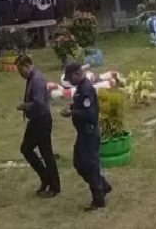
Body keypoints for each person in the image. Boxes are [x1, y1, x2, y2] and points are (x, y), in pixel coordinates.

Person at [61, 62, 112, 211]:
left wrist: (73, 113)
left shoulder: (86, 89)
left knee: (90, 165)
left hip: (89, 133)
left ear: (77, 74)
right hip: (83, 133)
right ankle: (103, 186)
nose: (69, 81)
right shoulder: (80, 89)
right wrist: (73, 108)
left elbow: (90, 114)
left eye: (70, 77)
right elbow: (82, 107)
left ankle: (98, 199)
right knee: (79, 163)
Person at [16, 54, 61, 198]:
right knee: (27, 149)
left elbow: (39, 103)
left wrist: (24, 106)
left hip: (41, 120)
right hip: (36, 120)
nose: (20, 74)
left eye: (20, 70)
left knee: (45, 152)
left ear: (27, 66)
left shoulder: (37, 80)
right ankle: (46, 177)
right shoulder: (32, 78)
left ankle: (53, 185)